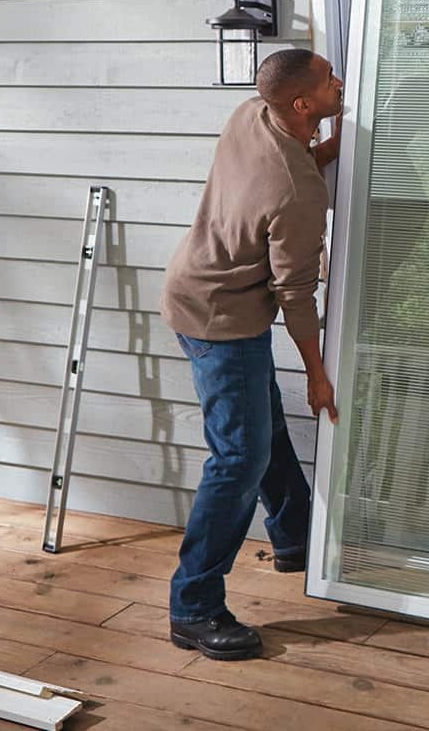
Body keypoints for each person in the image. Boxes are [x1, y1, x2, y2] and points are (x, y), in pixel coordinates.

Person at [159, 48, 344, 660]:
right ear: (301, 105)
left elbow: (283, 176)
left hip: (192, 287)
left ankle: (296, 539)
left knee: (257, 433)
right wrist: (318, 375)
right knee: (239, 457)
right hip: (221, 319)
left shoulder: (250, 114)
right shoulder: (298, 193)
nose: (338, 83)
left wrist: (328, 152)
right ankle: (194, 608)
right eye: (327, 82)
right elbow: (295, 296)